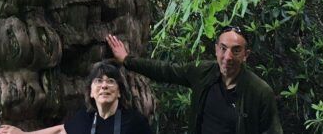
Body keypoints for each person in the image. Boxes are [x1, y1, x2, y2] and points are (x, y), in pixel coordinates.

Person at [106, 26, 282, 134]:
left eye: (236, 50)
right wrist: (127, 60)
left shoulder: (259, 92)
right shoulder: (203, 72)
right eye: (223, 48)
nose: (228, 57)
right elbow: (166, 71)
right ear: (216, 50)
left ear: (245, 55)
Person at [0, 61, 152, 134]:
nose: (104, 86)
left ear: (119, 92)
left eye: (111, 81)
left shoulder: (134, 122)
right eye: (98, 81)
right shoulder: (86, 118)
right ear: (91, 92)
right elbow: (61, 131)